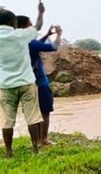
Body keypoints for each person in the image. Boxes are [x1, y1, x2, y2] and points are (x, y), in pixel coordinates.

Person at [0, 4, 45, 157]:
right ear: (13, 23)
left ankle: (8, 152)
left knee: (7, 120)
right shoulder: (20, 35)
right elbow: (37, 26)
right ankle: (35, 149)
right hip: (26, 82)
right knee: (32, 116)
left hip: (5, 85)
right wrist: (40, 12)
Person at [17, 15, 63, 146]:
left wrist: (47, 34)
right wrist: (59, 35)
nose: (32, 27)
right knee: (45, 111)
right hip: (40, 82)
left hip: (26, 82)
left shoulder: (18, 43)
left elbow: (36, 45)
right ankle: (43, 140)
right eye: (30, 24)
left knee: (32, 113)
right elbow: (53, 47)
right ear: (24, 27)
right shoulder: (30, 43)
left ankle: (36, 141)